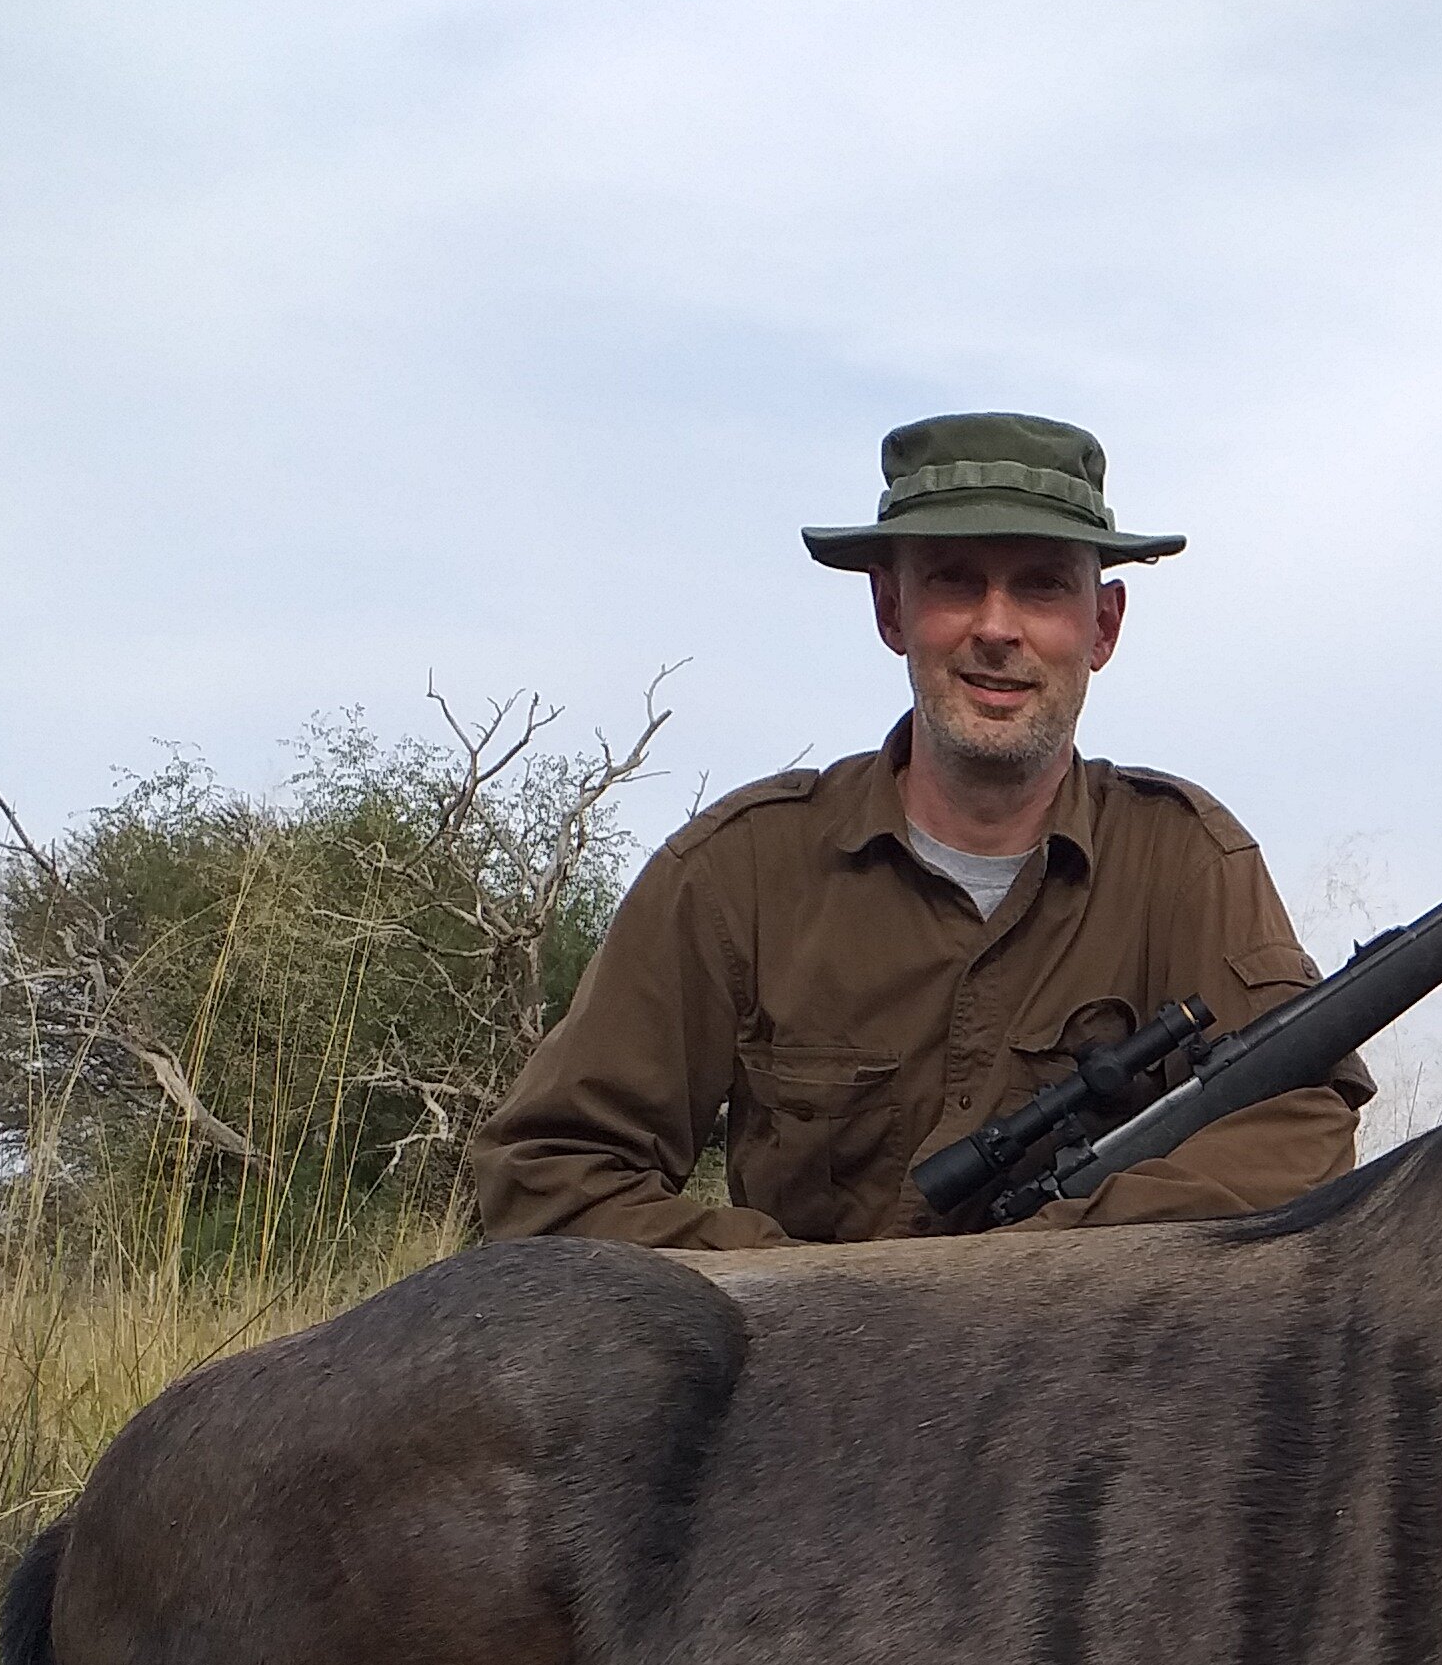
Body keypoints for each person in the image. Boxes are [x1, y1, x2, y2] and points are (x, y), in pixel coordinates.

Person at [470, 412, 1364, 1247]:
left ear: (1103, 625)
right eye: (954, 581)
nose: (996, 628)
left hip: (1085, 1385)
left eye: (1043, 586)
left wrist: (1045, 1263)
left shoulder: (1187, 860)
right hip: (799, 1393)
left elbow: (1295, 1125)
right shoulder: (737, 870)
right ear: (891, 611)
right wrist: (809, 1304)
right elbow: (550, 1173)